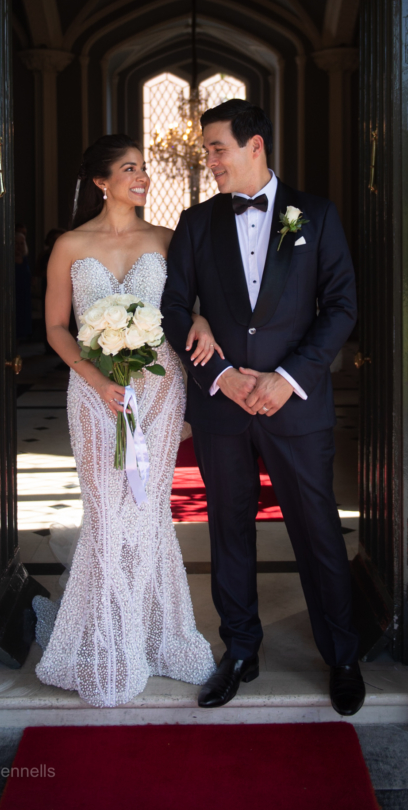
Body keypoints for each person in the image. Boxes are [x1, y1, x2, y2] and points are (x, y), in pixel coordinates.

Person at [161, 99, 365, 716]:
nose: (210, 162)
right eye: (206, 152)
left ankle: (343, 655)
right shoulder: (196, 223)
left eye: (218, 149)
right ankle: (240, 651)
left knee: (318, 531)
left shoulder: (317, 215)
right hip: (224, 409)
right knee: (227, 531)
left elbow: (341, 307)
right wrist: (220, 377)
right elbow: (173, 309)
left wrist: (286, 379)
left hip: (295, 407)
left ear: (256, 146)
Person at [34, 133, 219, 707]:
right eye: (129, 168)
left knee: (146, 504)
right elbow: (57, 327)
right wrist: (97, 380)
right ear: (100, 181)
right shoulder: (69, 244)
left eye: (144, 168)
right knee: (107, 511)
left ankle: (158, 636)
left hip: (158, 389)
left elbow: (197, 301)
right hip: (92, 390)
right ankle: (110, 645)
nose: (142, 177)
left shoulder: (168, 238)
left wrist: (205, 323)